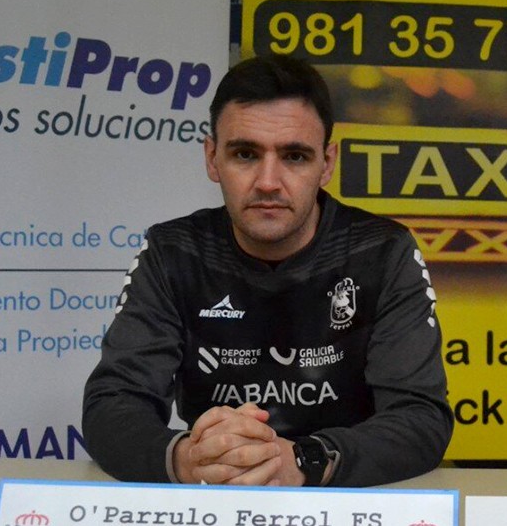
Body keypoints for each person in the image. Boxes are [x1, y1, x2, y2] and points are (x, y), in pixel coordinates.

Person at [82, 55, 453, 487]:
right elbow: (112, 403)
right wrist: (189, 459)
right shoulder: (173, 251)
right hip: (214, 493)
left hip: (346, 497)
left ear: (327, 163)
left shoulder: (382, 250)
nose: (268, 182)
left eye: (294, 156)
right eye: (245, 154)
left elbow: (421, 418)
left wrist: (302, 461)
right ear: (212, 157)